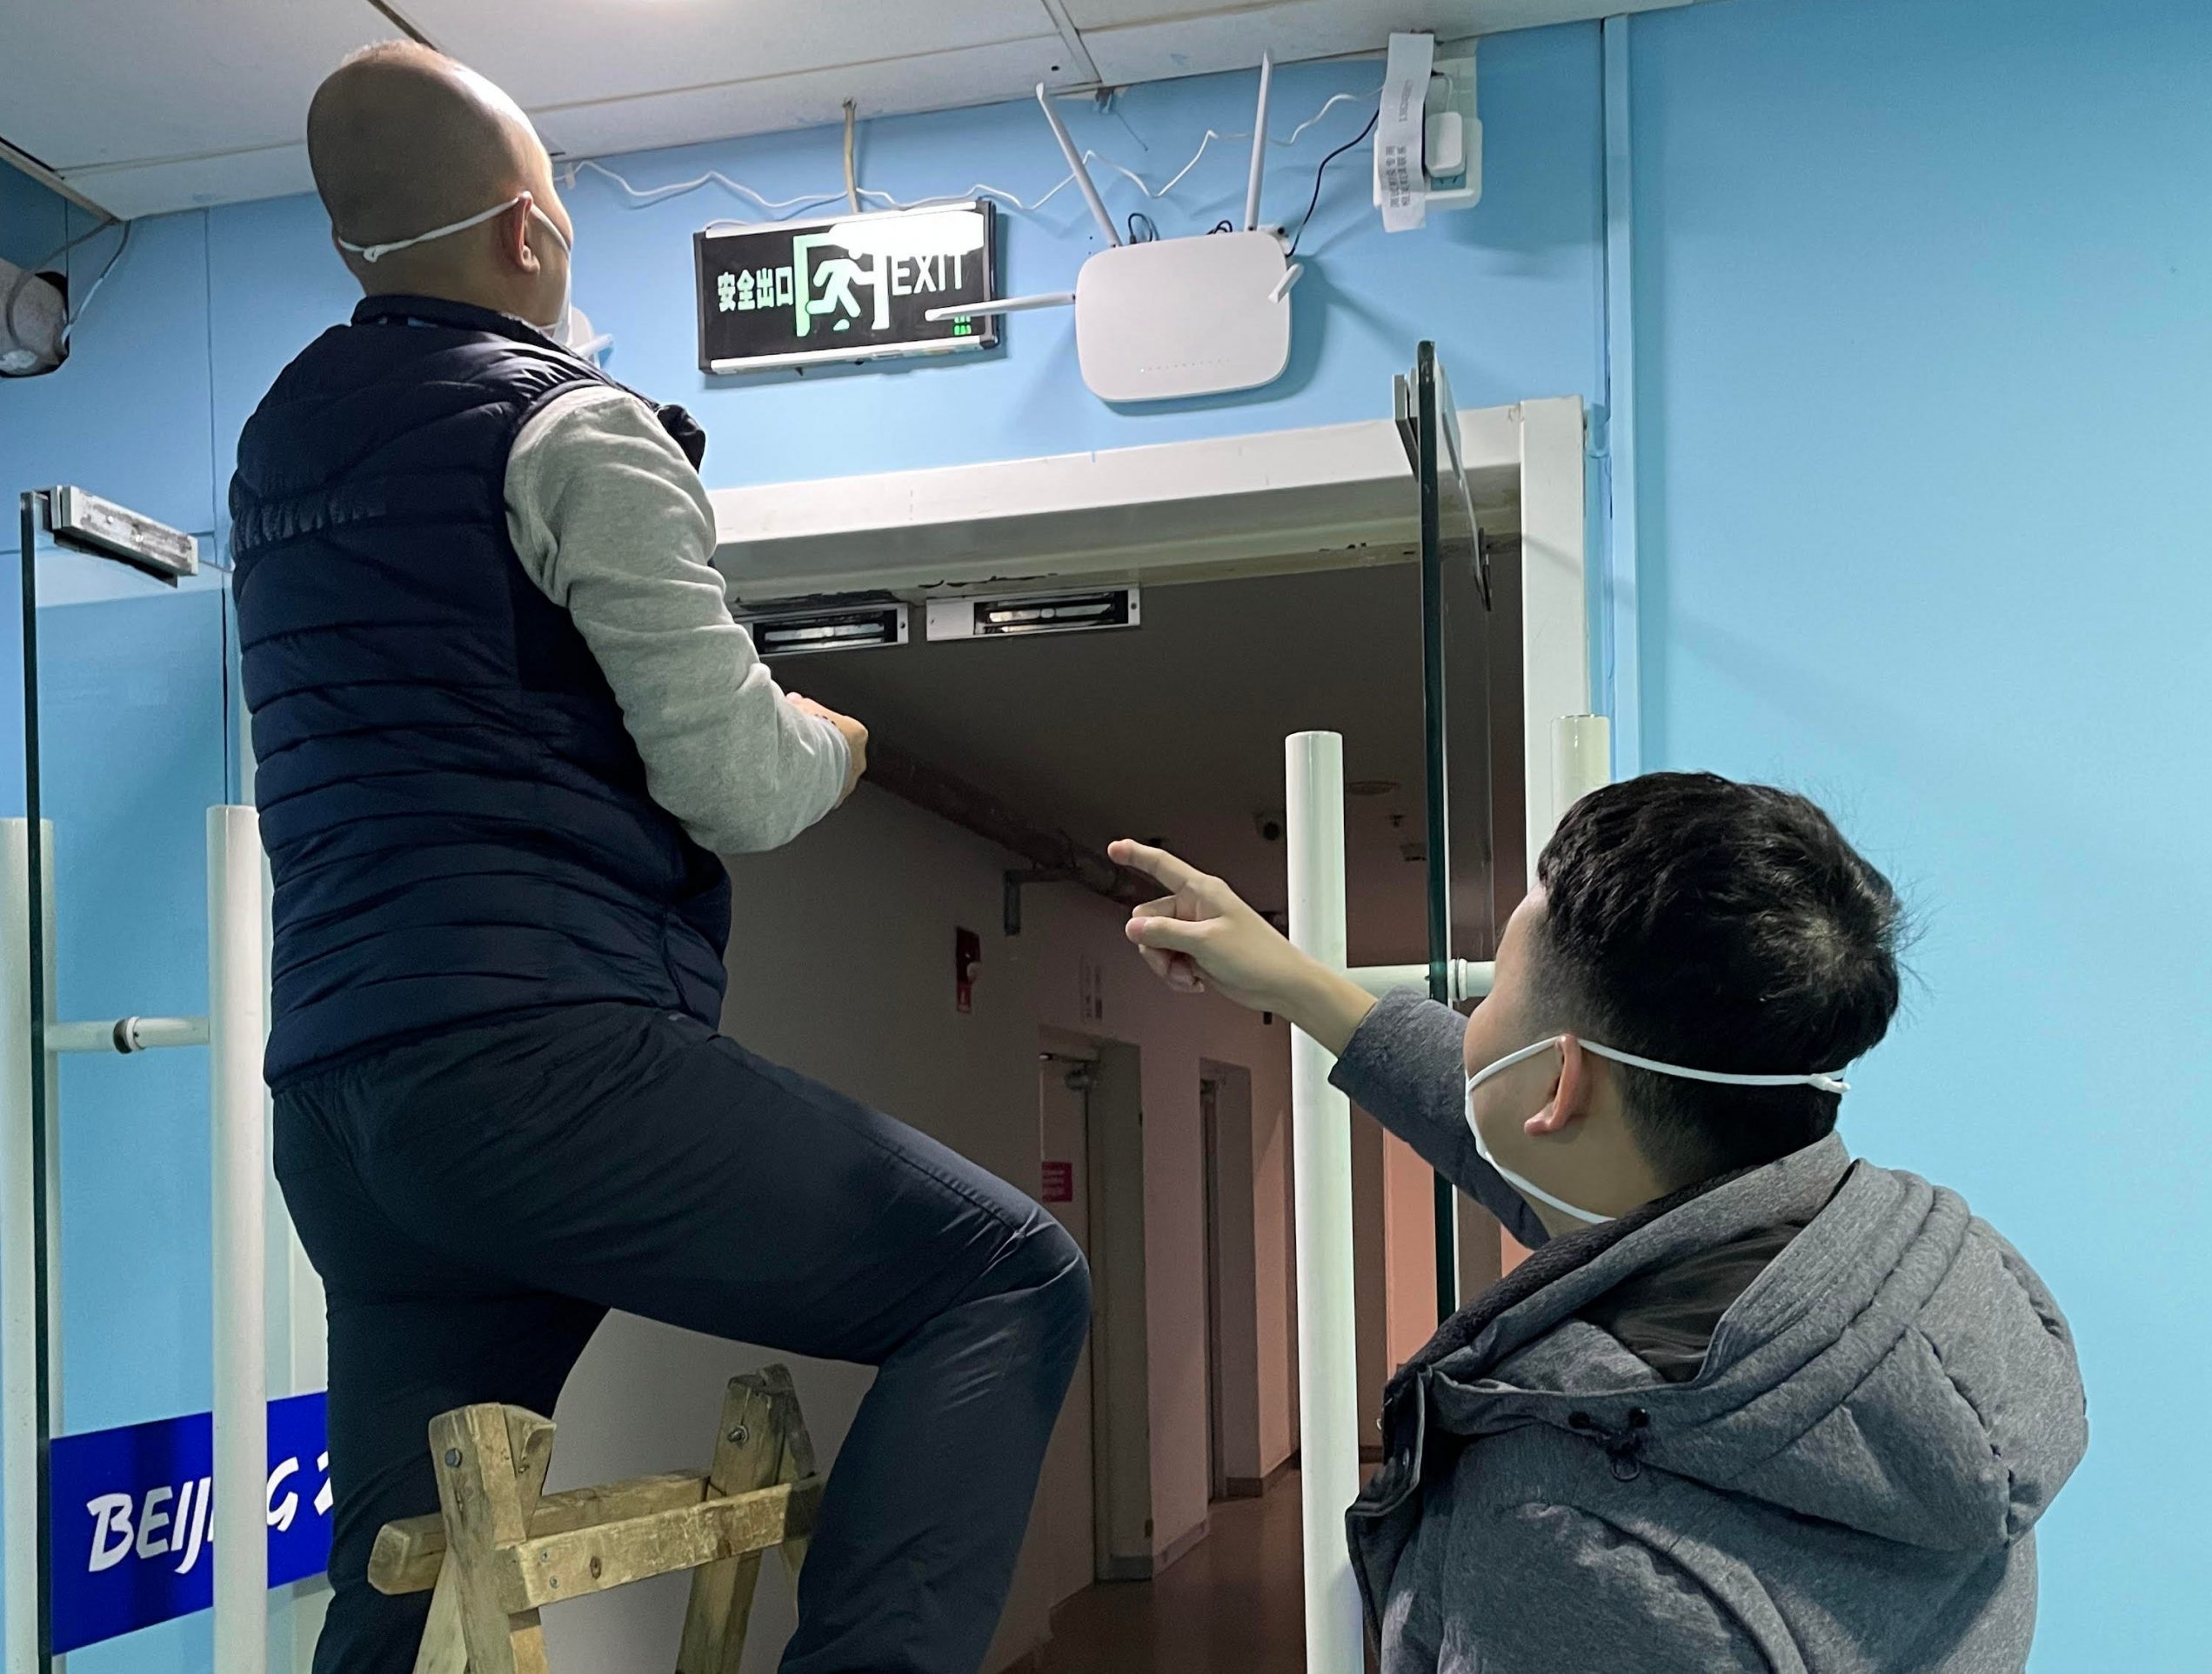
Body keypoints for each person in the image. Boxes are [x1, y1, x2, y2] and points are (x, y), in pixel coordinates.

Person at [231, 43, 1087, 1674]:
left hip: (342, 1111)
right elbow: (742, 785)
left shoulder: (281, 444)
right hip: (539, 1062)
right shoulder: (574, 429)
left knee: (406, 1576)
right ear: (531, 236)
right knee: (1005, 1278)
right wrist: (835, 735)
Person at [1112, 772, 2086, 1671]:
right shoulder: (1896, 1308)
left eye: (1495, 985)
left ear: (1560, 1081)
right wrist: (1291, 980)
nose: (1474, 1020)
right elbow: (1543, 1145)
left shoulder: (1559, 1538)